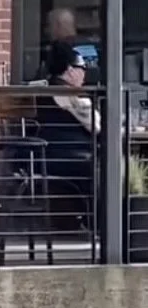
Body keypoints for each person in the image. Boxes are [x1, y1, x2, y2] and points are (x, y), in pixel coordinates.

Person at [37, 40, 98, 204]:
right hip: (72, 158)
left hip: (47, 156)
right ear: (70, 71)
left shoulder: (43, 91)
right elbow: (98, 126)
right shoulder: (73, 96)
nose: (85, 74)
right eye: (83, 68)